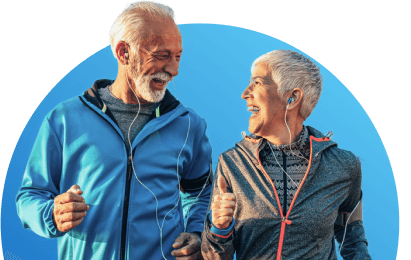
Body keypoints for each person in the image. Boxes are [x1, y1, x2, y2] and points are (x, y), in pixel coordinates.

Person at [15, 1, 212, 260]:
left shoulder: (189, 125)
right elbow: (29, 196)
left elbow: (202, 192)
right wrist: (50, 214)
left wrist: (197, 231)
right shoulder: (64, 119)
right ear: (123, 53)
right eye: (162, 56)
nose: (173, 70)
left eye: (177, 56)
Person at [201, 50, 371, 260]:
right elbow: (216, 257)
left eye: (257, 83)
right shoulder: (231, 163)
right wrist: (219, 229)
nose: (245, 93)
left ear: (292, 97)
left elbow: (351, 237)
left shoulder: (344, 165)